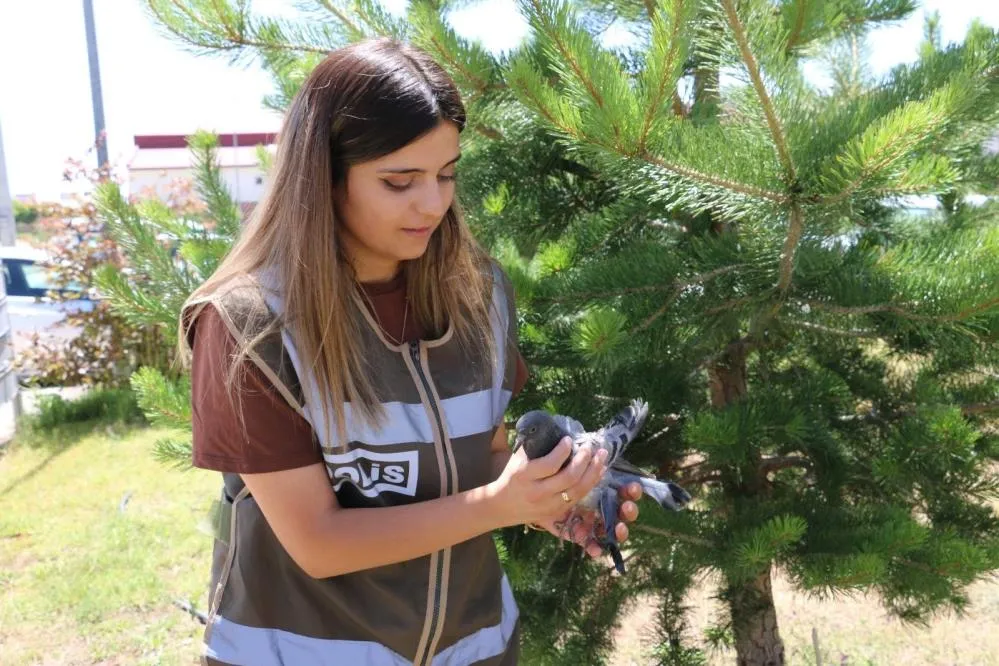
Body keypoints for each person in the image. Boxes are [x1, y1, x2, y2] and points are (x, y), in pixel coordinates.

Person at [182, 37, 644, 666]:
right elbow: (318, 542)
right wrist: (499, 504)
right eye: (399, 181)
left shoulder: (481, 296)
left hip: (477, 650)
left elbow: (483, 459)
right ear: (323, 178)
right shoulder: (248, 326)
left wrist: (548, 498)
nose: (433, 203)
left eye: (446, 174)